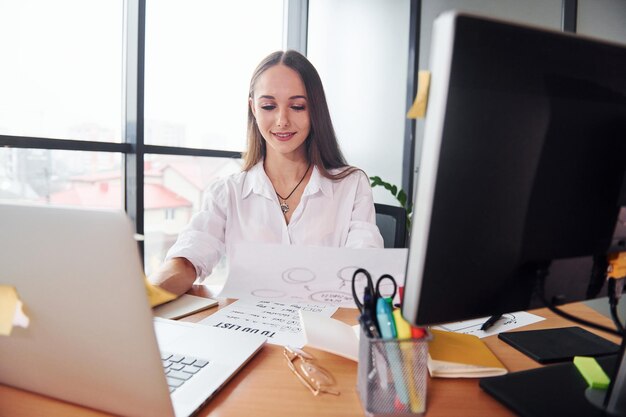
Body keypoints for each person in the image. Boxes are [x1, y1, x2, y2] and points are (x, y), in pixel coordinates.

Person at [150, 50, 383, 296]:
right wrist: (143, 297)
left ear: (315, 109)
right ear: (253, 107)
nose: (282, 120)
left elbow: (365, 266)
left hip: (326, 327)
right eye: (269, 106)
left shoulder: (351, 185)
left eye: (297, 106)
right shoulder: (227, 192)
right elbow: (188, 257)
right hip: (250, 328)